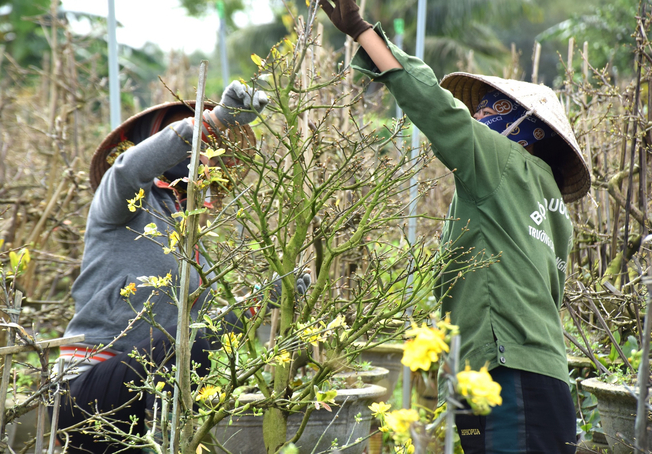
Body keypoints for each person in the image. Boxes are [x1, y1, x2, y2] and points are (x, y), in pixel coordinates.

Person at [320, 1, 590, 453]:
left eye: (489, 111)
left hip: (506, 373)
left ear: (519, 125)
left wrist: (363, 32)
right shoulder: (550, 204)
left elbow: (434, 107)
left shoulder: (500, 161)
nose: (479, 120)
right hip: (534, 371)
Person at [54, 81, 308, 452]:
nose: (199, 148)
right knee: (184, 342)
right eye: (190, 135)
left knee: (196, 338)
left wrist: (260, 302)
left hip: (144, 397)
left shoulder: (187, 235)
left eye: (204, 143)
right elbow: (127, 172)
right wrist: (214, 121)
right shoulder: (119, 206)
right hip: (87, 390)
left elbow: (200, 330)